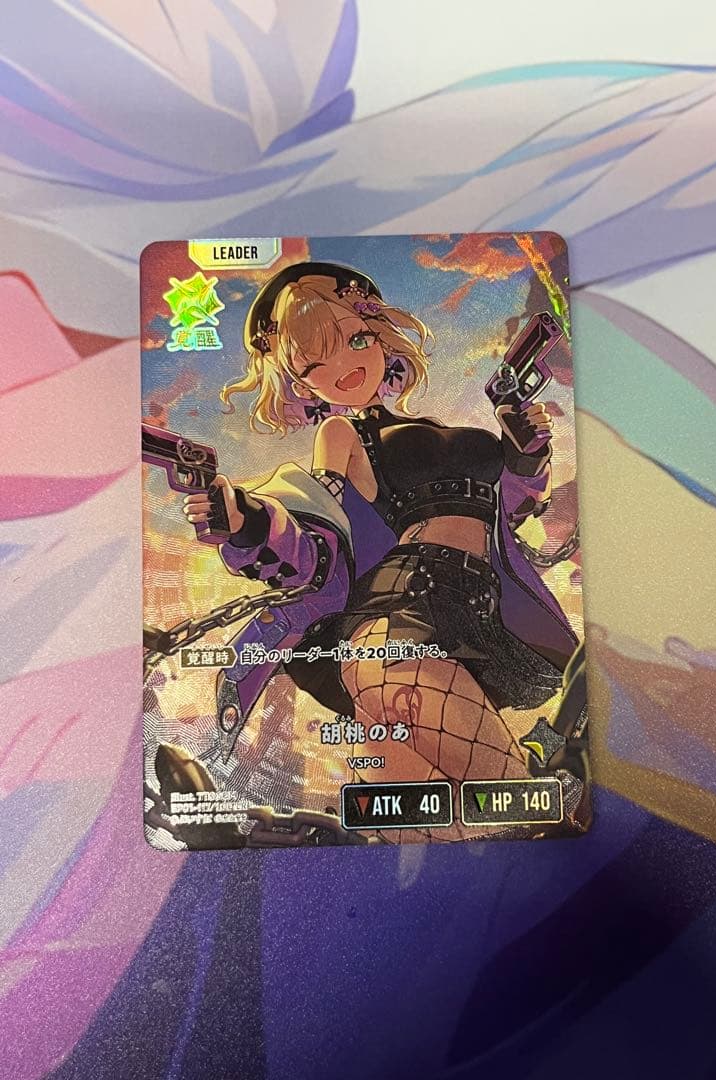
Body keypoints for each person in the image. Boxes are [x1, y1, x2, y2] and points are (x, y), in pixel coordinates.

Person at [182, 261, 583, 805]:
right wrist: (245, 520)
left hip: (482, 622)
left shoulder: (442, 430)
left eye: (354, 340)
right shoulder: (341, 431)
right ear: (299, 382)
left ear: (380, 335)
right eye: (313, 363)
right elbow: (319, 524)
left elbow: (506, 514)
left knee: (449, 821)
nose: (342, 367)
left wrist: (526, 453)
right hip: (398, 619)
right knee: (520, 803)